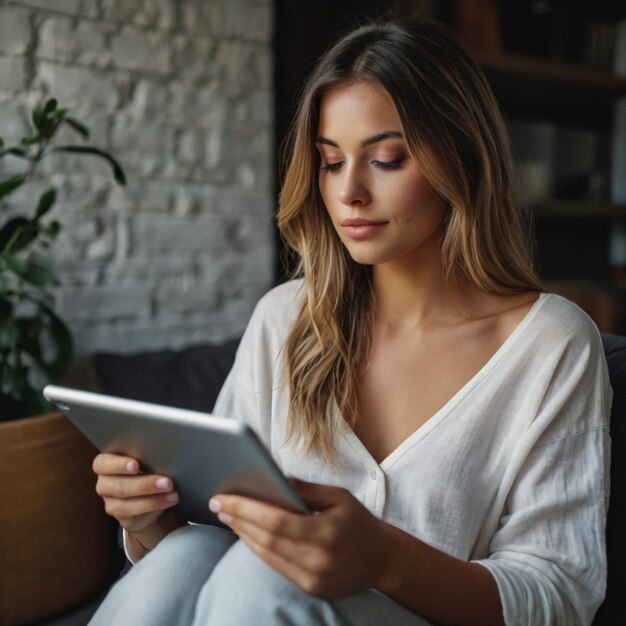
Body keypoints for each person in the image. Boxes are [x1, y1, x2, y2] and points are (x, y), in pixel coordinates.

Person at [89, 18, 611, 626]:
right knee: (187, 552)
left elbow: (560, 596)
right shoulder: (285, 319)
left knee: (260, 577)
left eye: (387, 159)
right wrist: (152, 520)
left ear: (461, 158)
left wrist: (385, 559)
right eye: (331, 162)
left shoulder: (551, 343)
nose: (349, 193)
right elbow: (218, 533)